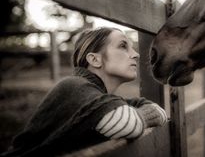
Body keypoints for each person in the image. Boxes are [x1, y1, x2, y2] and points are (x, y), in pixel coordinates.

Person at [2, 27, 167, 157]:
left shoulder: (101, 98)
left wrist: (142, 112)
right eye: (123, 46)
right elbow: (126, 124)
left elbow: (160, 112)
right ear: (95, 59)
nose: (136, 54)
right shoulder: (73, 86)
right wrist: (145, 114)